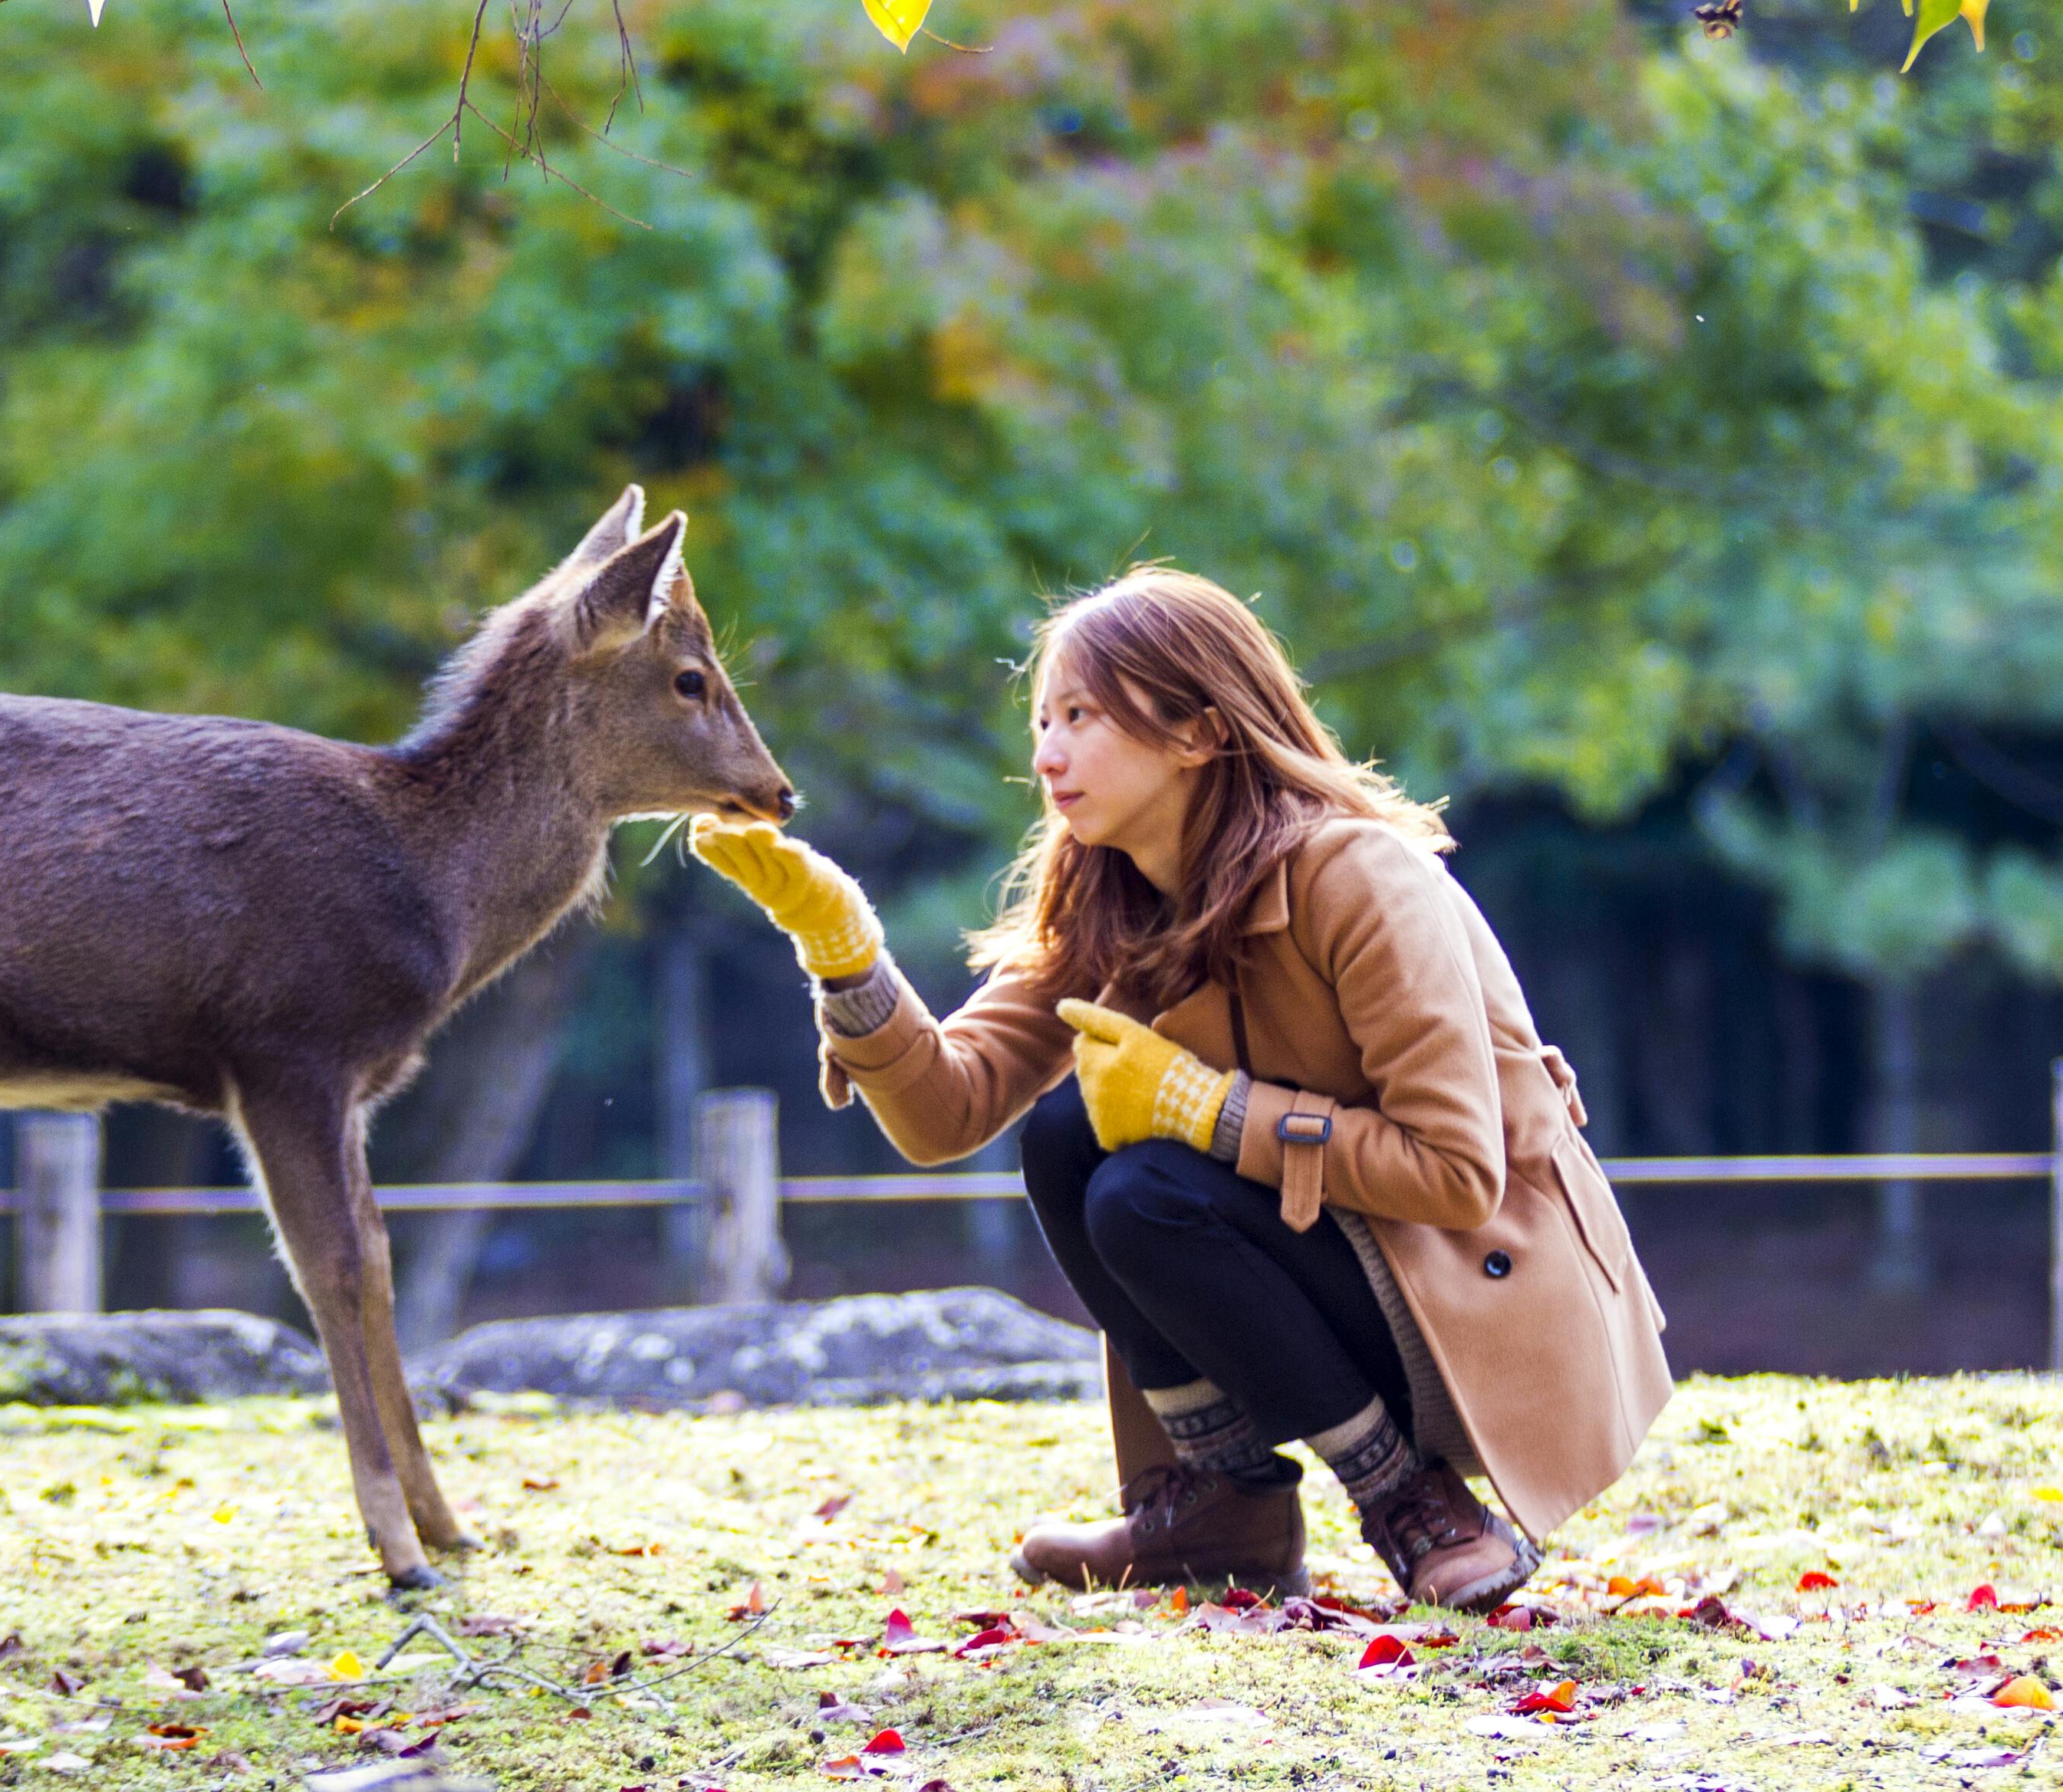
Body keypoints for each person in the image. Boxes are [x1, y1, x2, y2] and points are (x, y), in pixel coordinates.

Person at [690, 569, 1669, 1610]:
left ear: (1198, 733)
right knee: (1070, 1136)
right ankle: (1220, 1510)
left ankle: (1410, 1501)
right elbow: (949, 1113)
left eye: (1083, 717)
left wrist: (1208, 1112)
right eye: (1042, 718)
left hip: (1476, 1306)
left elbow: (1456, 1174)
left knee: (1143, 1184)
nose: (1047, 752)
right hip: (1338, 1273)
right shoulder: (1112, 898)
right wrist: (844, 949)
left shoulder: (1361, 880)